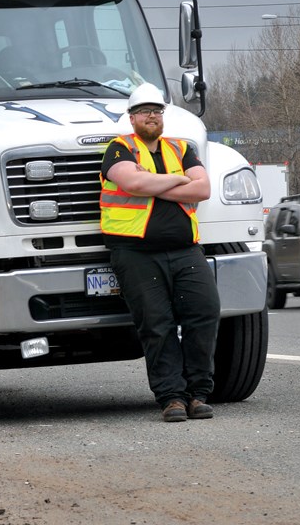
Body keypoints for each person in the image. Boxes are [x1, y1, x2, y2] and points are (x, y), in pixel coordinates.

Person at [99, 83, 221, 422]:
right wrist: (180, 182)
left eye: (157, 111)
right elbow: (134, 184)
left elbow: (204, 188)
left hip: (185, 250)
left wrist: (156, 182)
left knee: (204, 313)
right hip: (135, 253)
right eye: (145, 111)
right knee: (157, 324)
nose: (152, 116)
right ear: (132, 117)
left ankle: (198, 394)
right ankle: (172, 398)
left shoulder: (182, 148)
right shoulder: (119, 149)